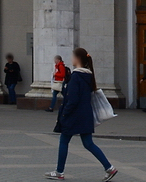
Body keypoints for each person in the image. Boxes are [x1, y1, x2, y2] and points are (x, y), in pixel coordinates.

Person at [45, 47, 117, 181]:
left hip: (73, 116)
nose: (71, 59)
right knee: (88, 143)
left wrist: (64, 115)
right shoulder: (88, 75)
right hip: (85, 115)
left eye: (73, 56)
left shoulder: (76, 76)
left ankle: (59, 172)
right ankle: (109, 168)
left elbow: (72, 100)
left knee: (64, 141)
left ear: (78, 59)